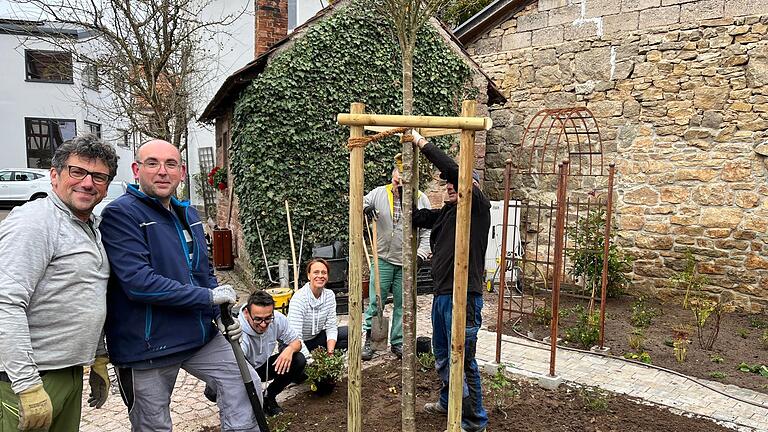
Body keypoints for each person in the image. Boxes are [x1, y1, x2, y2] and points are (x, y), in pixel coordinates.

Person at [99, 139, 260, 432]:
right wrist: (208, 297)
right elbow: (139, 283)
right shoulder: (121, 215)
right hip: (148, 346)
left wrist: (221, 315)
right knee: (154, 426)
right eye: (152, 163)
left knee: (246, 384)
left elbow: (204, 272)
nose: (162, 171)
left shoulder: (188, 213)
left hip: (198, 336)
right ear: (136, 170)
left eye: (170, 164)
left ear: (182, 172)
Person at [0, 134, 118, 431]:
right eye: (77, 172)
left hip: (68, 370)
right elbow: (5, 303)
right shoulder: (34, 223)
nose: (88, 183)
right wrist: (26, 385)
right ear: (54, 175)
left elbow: (88, 295)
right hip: (28, 377)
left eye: (99, 176)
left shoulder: (89, 226)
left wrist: (98, 357)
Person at [411, 130, 490, 432]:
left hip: (464, 297)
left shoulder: (477, 209)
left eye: (458, 184)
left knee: (463, 360)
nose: (451, 187)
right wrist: (402, 186)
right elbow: (416, 217)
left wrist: (421, 142)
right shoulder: (444, 214)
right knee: (442, 355)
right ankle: (448, 402)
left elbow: (457, 171)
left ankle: (474, 421)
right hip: (442, 295)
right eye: (447, 185)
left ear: (472, 187)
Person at [362, 164, 431, 360]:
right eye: (395, 182)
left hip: (406, 263)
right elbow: (360, 201)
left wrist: (420, 255)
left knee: (403, 304)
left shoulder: (420, 199)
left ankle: (398, 342)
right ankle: (371, 338)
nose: (397, 187)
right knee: (376, 301)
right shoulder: (379, 193)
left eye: (402, 184)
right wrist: (366, 208)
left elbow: (427, 232)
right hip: (382, 259)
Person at [204, 290, 306, 417]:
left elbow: (297, 342)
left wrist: (289, 350)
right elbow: (231, 367)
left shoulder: (278, 319)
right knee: (214, 392)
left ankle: (269, 397)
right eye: (258, 319)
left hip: (263, 366)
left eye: (268, 318)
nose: (263, 324)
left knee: (298, 360)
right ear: (247, 313)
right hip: (241, 369)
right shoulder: (237, 328)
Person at [288, 258, 348, 354]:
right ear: (308, 275)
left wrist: (330, 353)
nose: (320, 276)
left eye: (324, 273)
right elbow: (295, 336)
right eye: (316, 272)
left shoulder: (329, 295)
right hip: (295, 343)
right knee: (299, 360)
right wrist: (310, 361)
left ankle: (324, 354)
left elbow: (331, 327)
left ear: (327, 276)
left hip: (315, 339)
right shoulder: (299, 298)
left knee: (348, 333)